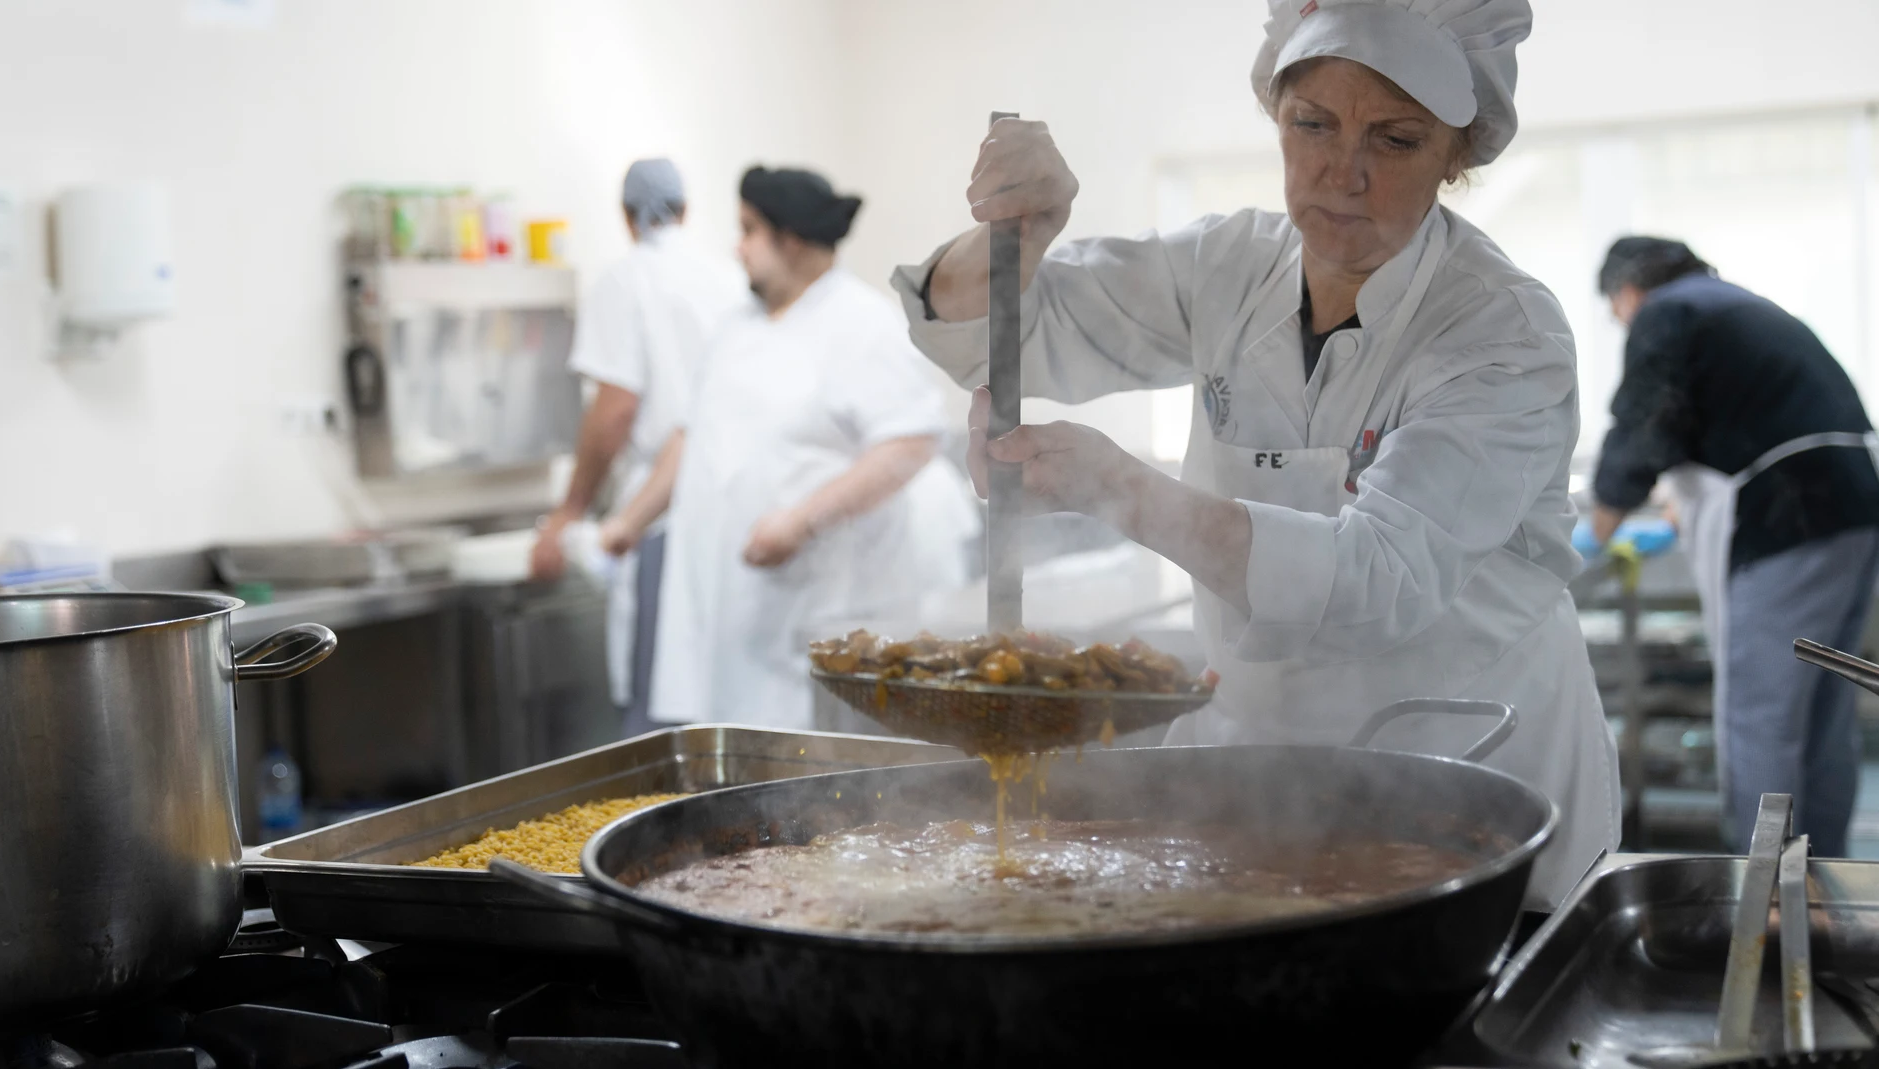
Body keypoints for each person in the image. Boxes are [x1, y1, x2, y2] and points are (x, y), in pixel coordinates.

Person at [890, 0, 1618, 907]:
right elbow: (988, 327)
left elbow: (1376, 576)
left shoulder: (1501, 330)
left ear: (1455, 158)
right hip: (1255, 784)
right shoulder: (1229, 267)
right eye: (1312, 124)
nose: (1341, 174)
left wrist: (1118, 488)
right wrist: (1018, 236)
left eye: (1394, 140)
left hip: (1469, 785)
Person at [634, 165, 976, 729]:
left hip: (815, 600)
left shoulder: (861, 324)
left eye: (748, 231)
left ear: (789, 241)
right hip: (733, 604)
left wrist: (802, 521)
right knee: (739, 755)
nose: (736, 248)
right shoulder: (736, 329)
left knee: (808, 776)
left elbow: (909, 442)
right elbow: (694, 437)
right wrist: (627, 526)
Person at [1590, 236, 1879, 856]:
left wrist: (1599, 523)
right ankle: (1824, 880)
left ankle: (1761, 895)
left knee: (1760, 717)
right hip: (1852, 511)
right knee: (1821, 713)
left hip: (1789, 518)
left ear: (1628, 291)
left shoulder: (1669, 311)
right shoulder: (1740, 308)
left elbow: (1643, 423)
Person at [528, 158, 746, 733]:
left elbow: (616, 408)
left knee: (661, 700)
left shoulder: (625, 280)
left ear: (627, 217)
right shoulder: (725, 277)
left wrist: (571, 510)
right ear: (686, 209)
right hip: (731, 511)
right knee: (712, 691)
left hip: (661, 514)